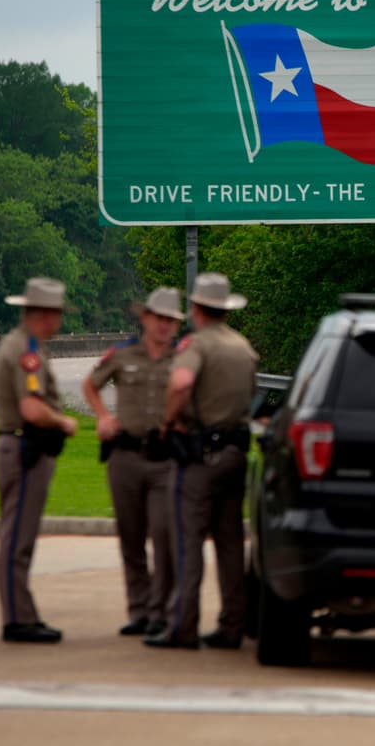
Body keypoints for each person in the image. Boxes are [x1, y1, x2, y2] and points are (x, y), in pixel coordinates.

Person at [145, 273, 258, 651]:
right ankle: (232, 624)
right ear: (225, 310)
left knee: (187, 540)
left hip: (198, 455)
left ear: (195, 309)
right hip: (235, 454)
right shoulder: (243, 347)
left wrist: (167, 422)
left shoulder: (196, 344)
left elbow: (179, 383)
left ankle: (183, 625)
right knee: (229, 542)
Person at [82, 287, 184, 638]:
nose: (164, 326)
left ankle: (160, 612)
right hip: (125, 457)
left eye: (171, 320)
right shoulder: (124, 354)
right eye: (159, 319)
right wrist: (102, 417)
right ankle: (139, 611)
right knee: (131, 537)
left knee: (163, 535)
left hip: (163, 459)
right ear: (145, 319)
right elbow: (91, 384)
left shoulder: (182, 358)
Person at [0, 277, 79, 643]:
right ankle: (17, 618)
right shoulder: (26, 352)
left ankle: (22, 613)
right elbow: (30, 408)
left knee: (19, 535)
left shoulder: (24, 347)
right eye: (55, 314)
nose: (57, 322)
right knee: (17, 538)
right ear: (42, 314)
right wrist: (63, 421)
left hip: (19, 448)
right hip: (24, 450)